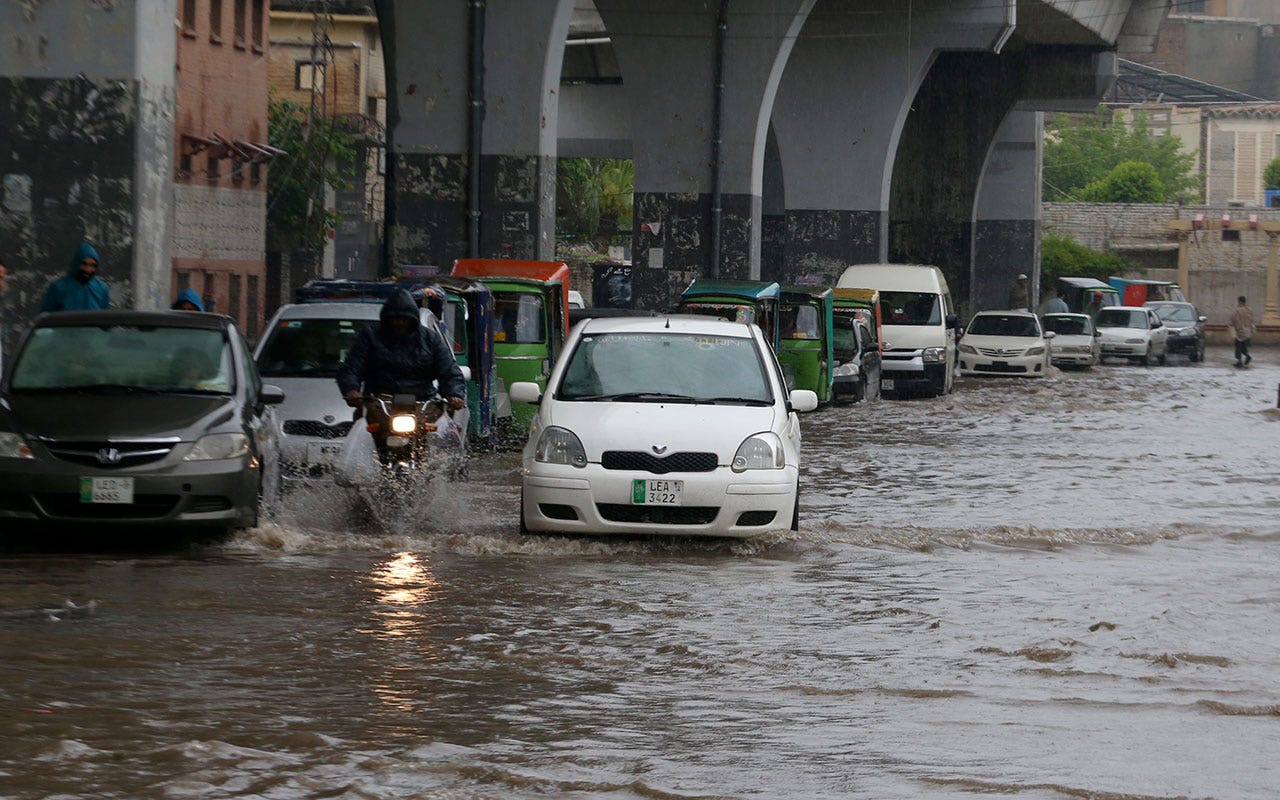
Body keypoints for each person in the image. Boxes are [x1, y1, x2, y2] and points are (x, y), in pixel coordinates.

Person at [337, 289, 466, 411]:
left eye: (404, 319)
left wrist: (454, 394)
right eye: (396, 319)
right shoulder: (370, 336)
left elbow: (449, 371)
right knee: (361, 430)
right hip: (378, 404)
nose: (400, 323)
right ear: (387, 318)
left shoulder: (430, 339)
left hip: (423, 405)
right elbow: (352, 367)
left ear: (413, 319)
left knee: (442, 431)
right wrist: (351, 390)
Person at [41, 242, 110, 312]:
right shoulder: (58, 288)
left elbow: (105, 319)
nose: (88, 269)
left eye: (93, 265)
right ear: (77, 263)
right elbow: (46, 318)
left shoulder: (102, 289)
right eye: (84, 264)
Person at [1229, 295, 1255, 368]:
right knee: (1243, 346)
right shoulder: (1249, 310)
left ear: (1240, 301)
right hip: (1248, 331)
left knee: (1238, 346)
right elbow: (1251, 320)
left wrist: (1236, 329)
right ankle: (1247, 357)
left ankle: (1239, 361)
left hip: (1240, 331)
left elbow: (1235, 321)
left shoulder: (1238, 310)